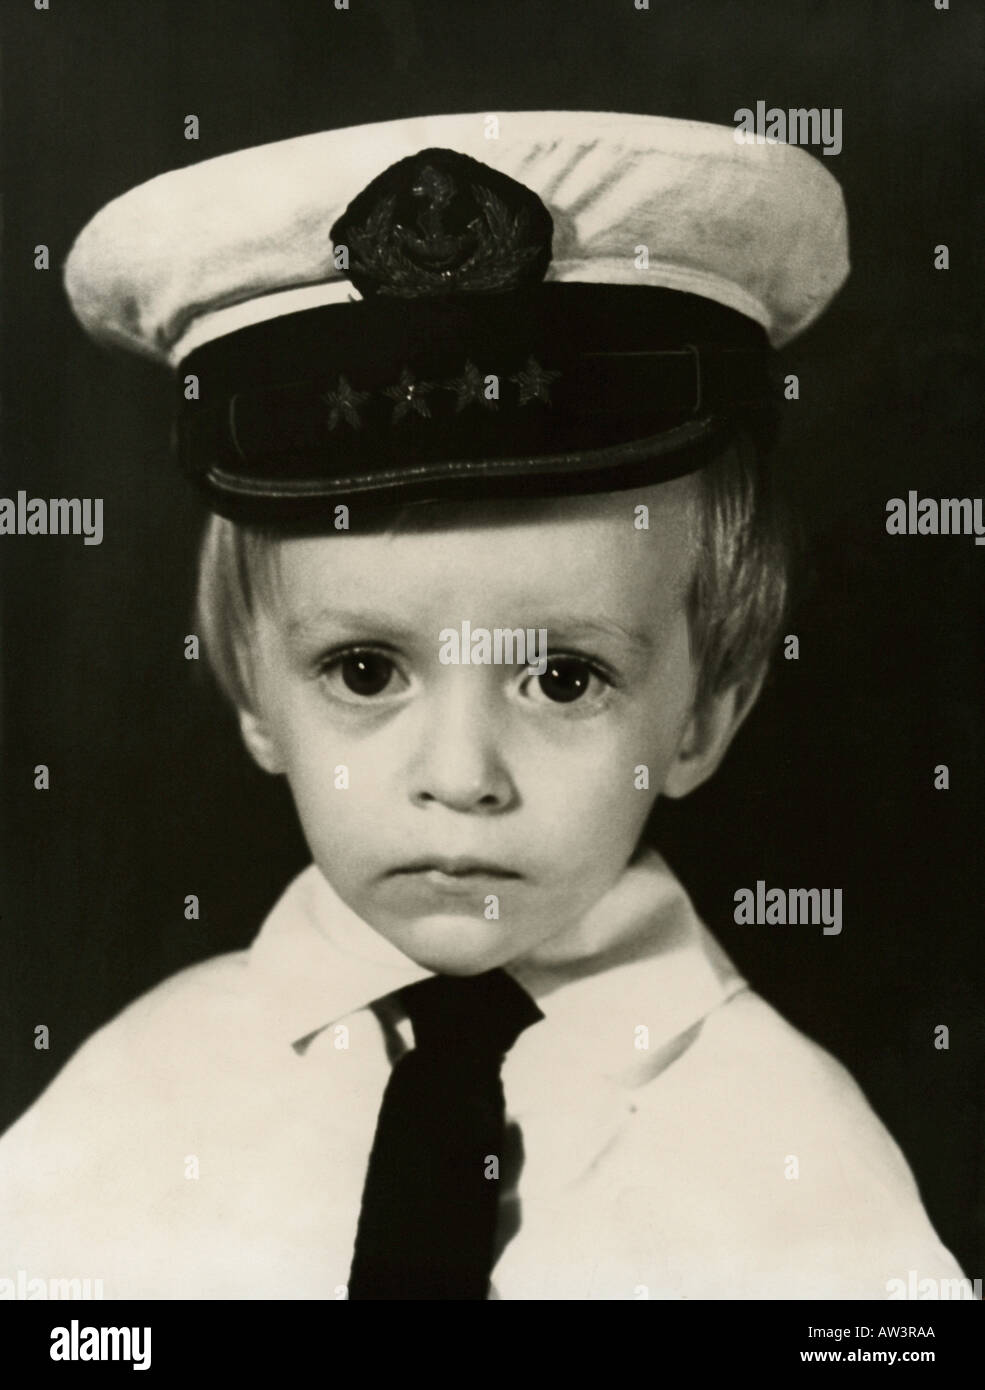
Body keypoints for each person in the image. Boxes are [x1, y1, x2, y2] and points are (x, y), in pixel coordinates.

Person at [0, 111, 967, 1299]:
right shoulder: (127, 1104)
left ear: (706, 711)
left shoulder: (796, 1171)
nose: (459, 774)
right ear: (253, 686)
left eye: (563, 677)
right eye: (364, 671)